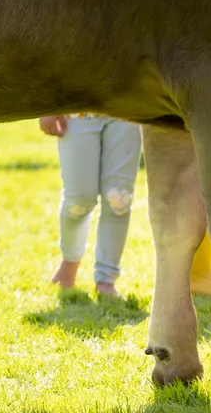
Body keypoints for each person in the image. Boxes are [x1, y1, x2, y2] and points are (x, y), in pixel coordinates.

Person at [39, 114, 141, 298]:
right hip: (77, 109)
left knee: (119, 200)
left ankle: (106, 280)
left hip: (126, 110)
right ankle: (69, 264)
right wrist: (47, 108)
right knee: (79, 201)